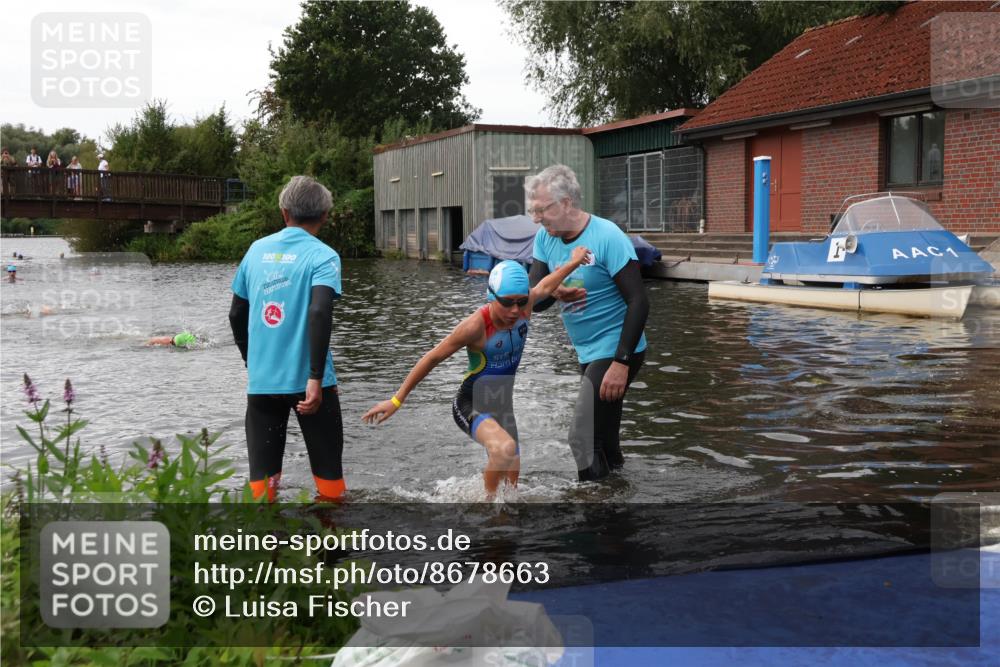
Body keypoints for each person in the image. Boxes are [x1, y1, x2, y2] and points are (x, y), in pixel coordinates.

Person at [362, 248, 591, 498]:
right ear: (491, 297)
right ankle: (485, 506)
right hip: (471, 401)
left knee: (512, 478)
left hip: (502, 404)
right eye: (507, 303)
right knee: (504, 450)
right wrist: (397, 400)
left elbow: (546, 285)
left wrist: (574, 262)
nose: (516, 310)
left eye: (521, 301)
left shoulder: (525, 307)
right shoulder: (475, 327)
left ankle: (499, 520)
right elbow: (432, 358)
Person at [526, 164, 649, 482]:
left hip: (619, 348)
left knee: (581, 439)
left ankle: (594, 514)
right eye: (533, 211)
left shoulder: (607, 236)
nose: (537, 219)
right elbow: (535, 302)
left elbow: (638, 301)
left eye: (542, 210)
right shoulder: (545, 238)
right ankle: (620, 510)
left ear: (566, 203)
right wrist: (556, 291)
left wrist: (621, 363)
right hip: (587, 352)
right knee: (604, 442)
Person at [229, 175, 344, 502]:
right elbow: (320, 312)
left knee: (262, 491)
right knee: (329, 486)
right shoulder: (324, 256)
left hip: (262, 384)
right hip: (311, 386)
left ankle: (265, 549)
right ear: (324, 216)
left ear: (284, 212)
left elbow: (236, 314)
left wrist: (252, 362)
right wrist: (315, 378)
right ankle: (332, 550)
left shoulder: (255, 251)